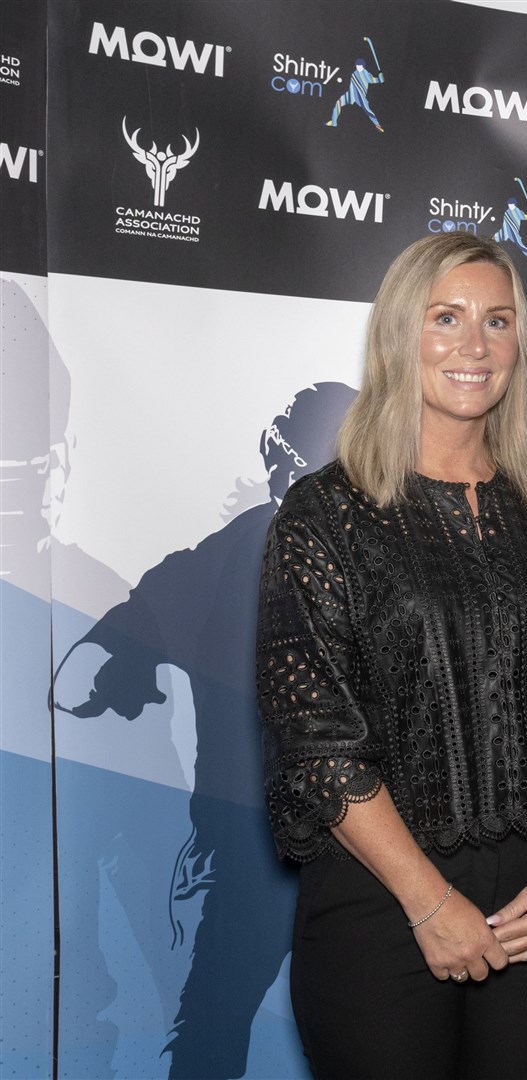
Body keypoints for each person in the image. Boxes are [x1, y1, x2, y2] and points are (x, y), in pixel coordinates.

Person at [257, 233, 527, 1078]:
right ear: (399, 336)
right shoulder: (326, 516)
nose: (474, 345)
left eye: (498, 322)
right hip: (382, 904)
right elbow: (318, 741)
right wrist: (429, 903)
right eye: (446, 317)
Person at [53, 382, 355, 1080]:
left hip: (381, 855)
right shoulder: (220, 566)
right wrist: (115, 674)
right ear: (281, 469)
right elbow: (73, 680)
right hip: (255, 856)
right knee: (210, 1038)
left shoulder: (404, 563)